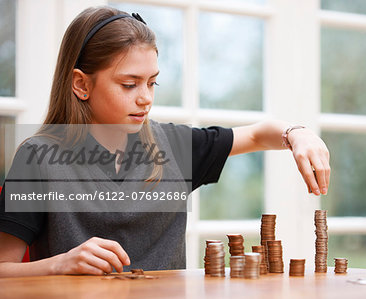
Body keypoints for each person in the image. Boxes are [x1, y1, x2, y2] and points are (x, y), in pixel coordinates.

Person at [0, 6, 330, 277]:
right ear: (81, 85)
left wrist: (296, 134)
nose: (145, 98)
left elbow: (258, 134)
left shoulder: (174, 146)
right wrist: (60, 264)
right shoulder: (37, 159)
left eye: (152, 83)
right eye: (129, 84)